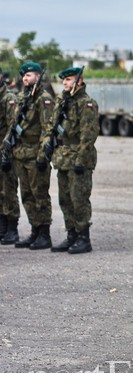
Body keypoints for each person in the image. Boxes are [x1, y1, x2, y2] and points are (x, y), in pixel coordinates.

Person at [2, 62, 54, 250]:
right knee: (27, 195)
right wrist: (7, 146)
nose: (25, 79)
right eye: (23, 76)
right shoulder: (24, 97)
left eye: (29, 75)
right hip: (21, 154)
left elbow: (48, 128)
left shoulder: (44, 98)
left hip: (35, 154)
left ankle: (44, 233)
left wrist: (43, 155)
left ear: (38, 77)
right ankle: (34, 230)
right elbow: (14, 125)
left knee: (39, 194)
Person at [47, 67, 98, 254]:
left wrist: (81, 160)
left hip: (79, 158)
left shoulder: (87, 103)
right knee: (65, 199)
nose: (65, 83)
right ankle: (72, 235)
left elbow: (89, 135)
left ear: (79, 80)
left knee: (79, 199)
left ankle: (84, 237)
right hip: (62, 158)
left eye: (68, 79)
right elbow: (52, 126)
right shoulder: (62, 101)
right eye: (64, 80)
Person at [0, 68, 21, 245]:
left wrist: (5, 151)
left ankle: (12, 228)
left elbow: (12, 127)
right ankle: (2, 226)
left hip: (6, 151)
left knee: (8, 190)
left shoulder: (9, 99)